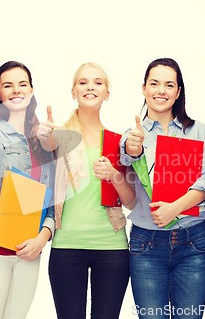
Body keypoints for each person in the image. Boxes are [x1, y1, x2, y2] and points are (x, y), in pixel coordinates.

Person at [120, 58, 205, 319]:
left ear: (178, 92)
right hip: (147, 246)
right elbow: (127, 155)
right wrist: (134, 147)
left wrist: (174, 208)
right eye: (154, 83)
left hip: (193, 242)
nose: (160, 91)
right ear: (144, 89)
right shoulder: (134, 134)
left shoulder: (196, 130)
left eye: (168, 85)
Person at [37, 62, 136, 319]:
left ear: (107, 93)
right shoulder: (59, 137)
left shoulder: (118, 141)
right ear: (73, 92)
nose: (90, 86)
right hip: (67, 245)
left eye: (97, 82)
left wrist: (113, 175)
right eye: (83, 82)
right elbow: (44, 154)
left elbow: (131, 202)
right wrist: (45, 138)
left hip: (112, 247)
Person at [0, 61, 55, 318]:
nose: (16, 90)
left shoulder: (45, 140)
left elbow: (52, 201)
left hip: (31, 250)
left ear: (31, 90)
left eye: (22, 84)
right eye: (8, 85)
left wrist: (43, 237)